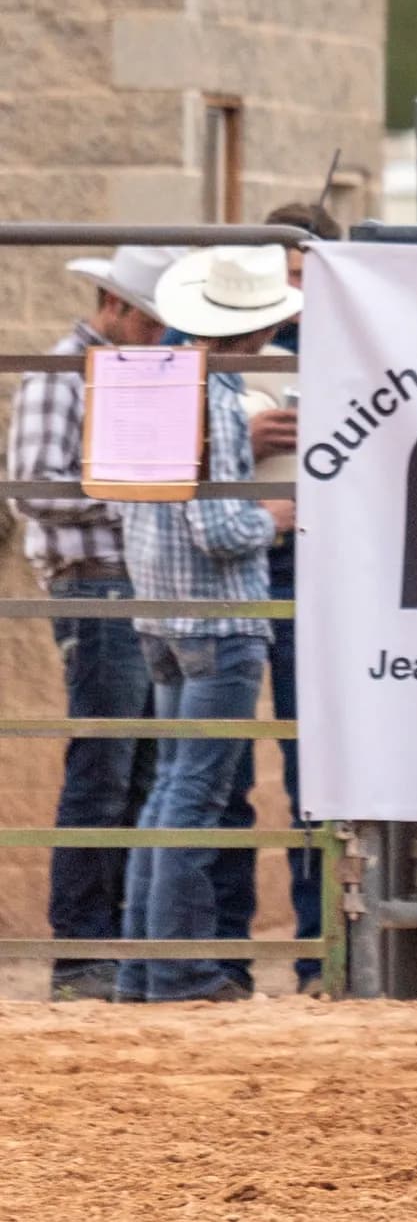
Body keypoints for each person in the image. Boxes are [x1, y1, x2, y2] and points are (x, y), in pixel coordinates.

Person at [114, 245, 299, 1003]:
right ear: (254, 332)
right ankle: (182, 970)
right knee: (194, 795)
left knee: (170, 792)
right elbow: (220, 529)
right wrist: (278, 515)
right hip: (220, 618)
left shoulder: (155, 385)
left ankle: (141, 968)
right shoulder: (220, 401)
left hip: (161, 611)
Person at [7, 246, 178, 1001]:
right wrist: (137, 493)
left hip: (124, 582)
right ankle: (82, 952)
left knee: (130, 765)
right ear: (115, 308)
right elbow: (35, 489)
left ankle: (103, 945)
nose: (158, 332)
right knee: (108, 764)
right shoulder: (62, 372)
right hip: (99, 581)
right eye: (149, 318)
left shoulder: (119, 372)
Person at [236, 201, 335, 990]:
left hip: (316, 566)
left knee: (312, 768)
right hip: (236, 566)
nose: (293, 292)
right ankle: (218, 955)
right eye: (283, 276)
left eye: (304, 275)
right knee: (218, 762)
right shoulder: (212, 340)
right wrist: (242, 441)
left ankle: (312, 954)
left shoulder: (354, 344)